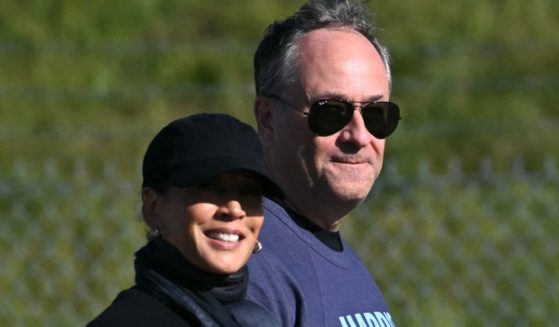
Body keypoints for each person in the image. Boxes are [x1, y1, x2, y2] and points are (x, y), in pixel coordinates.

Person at [247, 0, 401, 326]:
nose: (359, 135)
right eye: (330, 111)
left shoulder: (332, 256)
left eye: (376, 114)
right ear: (268, 119)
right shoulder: (246, 268)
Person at [88, 113, 282, 326]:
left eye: (250, 191)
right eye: (210, 187)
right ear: (153, 208)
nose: (234, 209)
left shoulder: (259, 317)